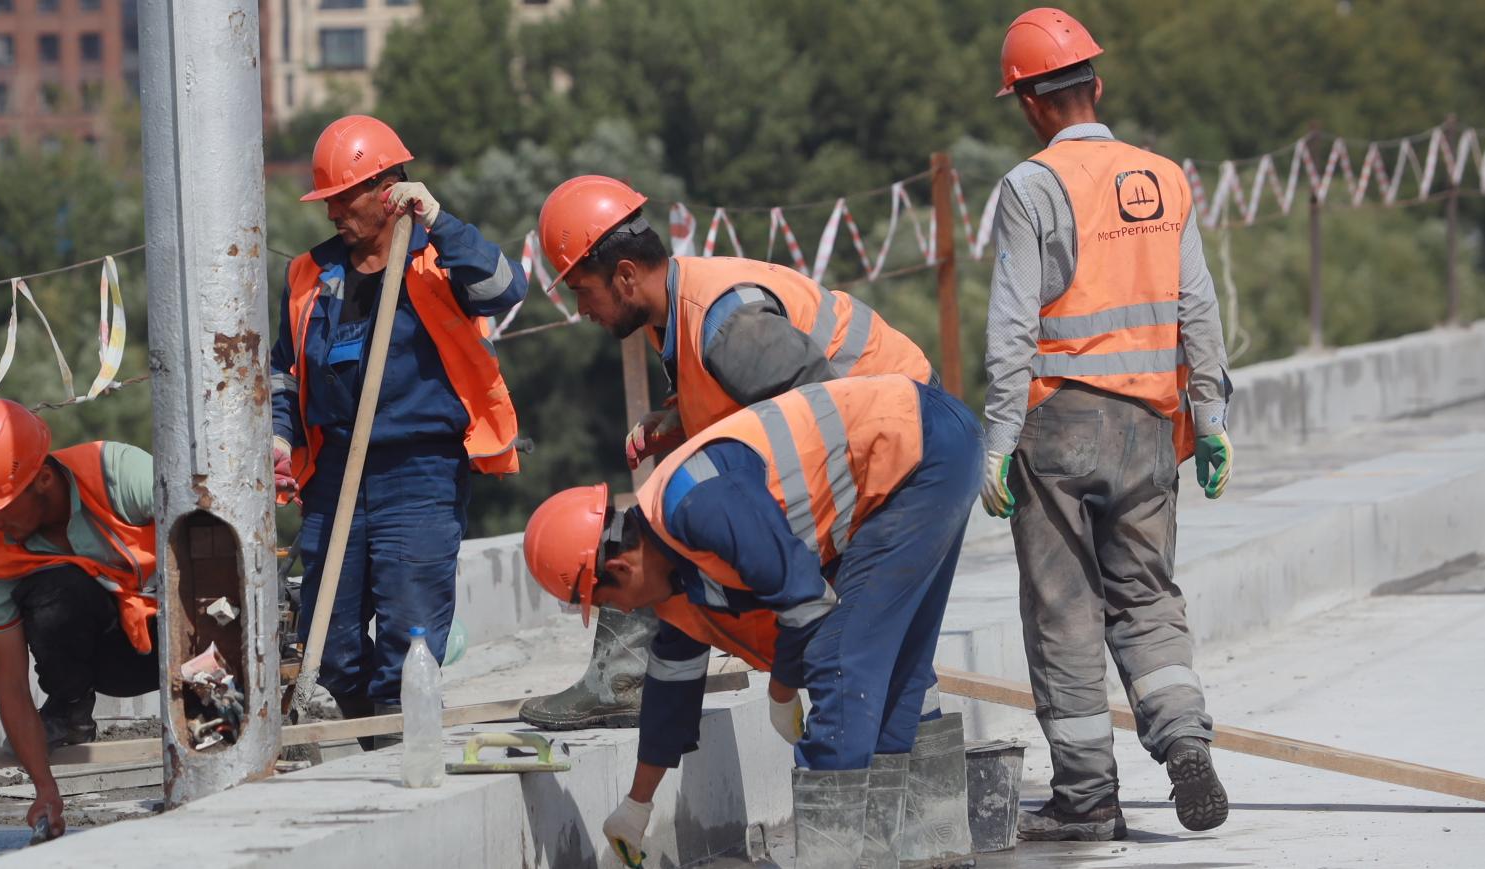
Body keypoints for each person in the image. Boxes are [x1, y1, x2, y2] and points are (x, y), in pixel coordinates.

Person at [518, 175, 937, 733]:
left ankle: (631, 679)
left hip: (901, 441)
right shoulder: (669, 312)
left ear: (623, 277)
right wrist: (679, 418)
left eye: (582, 291)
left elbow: (819, 417)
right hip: (884, 433)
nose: (582, 310)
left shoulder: (726, 326)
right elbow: (747, 401)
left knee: (851, 623)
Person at [525, 375, 981, 868]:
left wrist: (782, 691)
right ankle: (933, 850)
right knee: (898, 668)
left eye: (609, 602)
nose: (626, 613)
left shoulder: (698, 507)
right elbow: (669, 693)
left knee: (841, 661)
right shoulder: (671, 566)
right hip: (929, 453)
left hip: (914, 451)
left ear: (619, 567)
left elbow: (807, 603)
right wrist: (637, 806)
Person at [979, 7, 1236, 842]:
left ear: (1026, 105)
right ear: (1097, 85)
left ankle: (1086, 798)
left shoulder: (1028, 186)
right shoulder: (1163, 176)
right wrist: (1210, 414)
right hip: (1148, 426)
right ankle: (1184, 739)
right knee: (1146, 595)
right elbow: (1196, 305)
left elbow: (1012, 325)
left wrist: (995, 441)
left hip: (1056, 422)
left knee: (1063, 608)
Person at [269, 114, 526, 726]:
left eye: (343, 198)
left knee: (409, 635)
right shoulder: (311, 273)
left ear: (389, 191)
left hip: (418, 471)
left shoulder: (437, 259)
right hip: (333, 474)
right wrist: (280, 434)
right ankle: (367, 739)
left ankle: (395, 749)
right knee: (330, 641)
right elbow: (283, 371)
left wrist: (438, 221)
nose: (332, 214)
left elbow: (503, 288)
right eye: (326, 200)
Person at [0, 398, 157, 839]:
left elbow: (211, 527)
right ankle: (70, 709)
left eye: (1, 507)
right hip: (117, 662)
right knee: (53, 592)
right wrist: (44, 787)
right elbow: (9, 684)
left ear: (43, 479)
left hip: (183, 633)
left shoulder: (117, 472)